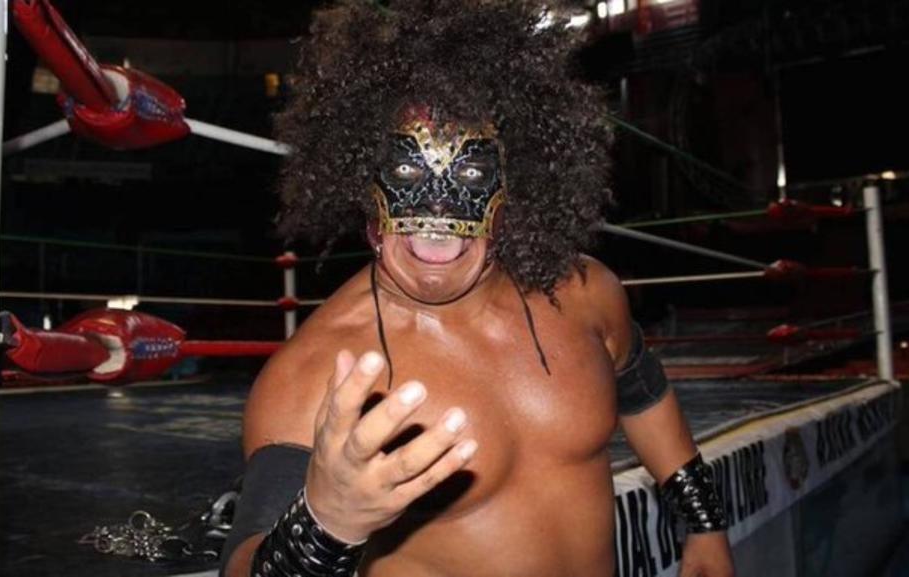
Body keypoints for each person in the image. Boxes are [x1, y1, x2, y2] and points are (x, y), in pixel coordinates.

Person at [221, 1, 734, 576]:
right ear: (364, 187)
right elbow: (243, 562)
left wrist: (704, 524)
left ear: (515, 184)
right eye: (407, 172)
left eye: (470, 173)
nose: (439, 210)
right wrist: (325, 525)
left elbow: (641, 390)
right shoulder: (316, 378)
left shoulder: (584, 293)